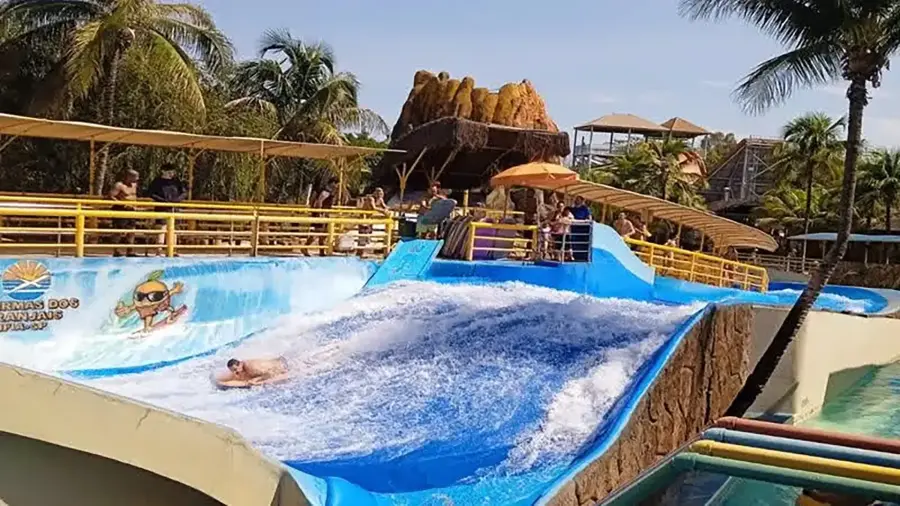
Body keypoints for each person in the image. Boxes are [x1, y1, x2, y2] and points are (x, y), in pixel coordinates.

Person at [148, 163, 187, 256]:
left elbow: (184, 193)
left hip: (174, 208)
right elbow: (151, 193)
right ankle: (159, 250)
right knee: (162, 228)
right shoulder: (157, 181)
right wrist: (162, 201)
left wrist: (177, 200)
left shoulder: (176, 181)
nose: (172, 174)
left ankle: (173, 250)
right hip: (162, 207)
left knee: (174, 229)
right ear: (163, 171)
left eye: (173, 172)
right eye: (169, 172)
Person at [109, 169, 140, 257]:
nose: (137, 179)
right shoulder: (119, 185)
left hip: (132, 210)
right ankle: (116, 250)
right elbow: (111, 196)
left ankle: (130, 250)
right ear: (128, 176)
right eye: (135, 177)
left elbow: (134, 196)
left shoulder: (135, 185)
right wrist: (122, 204)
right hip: (120, 209)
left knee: (132, 230)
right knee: (118, 230)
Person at [304, 178, 336, 256]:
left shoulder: (325, 190)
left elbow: (315, 201)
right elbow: (319, 201)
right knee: (316, 233)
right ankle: (305, 247)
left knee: (323, 234)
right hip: (322, 214)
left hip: (323, 214)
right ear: (333, 183)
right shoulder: (326, 191)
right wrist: (319, 213)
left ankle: (321, 251)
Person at [216, 357, 290, 389]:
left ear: (240, 364)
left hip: (283, 365)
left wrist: (256, 379)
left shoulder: (252, 367)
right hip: (275, 361)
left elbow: (271, 373)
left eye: (235, 370)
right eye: (232, 370)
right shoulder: (241, 367)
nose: (235, 372)